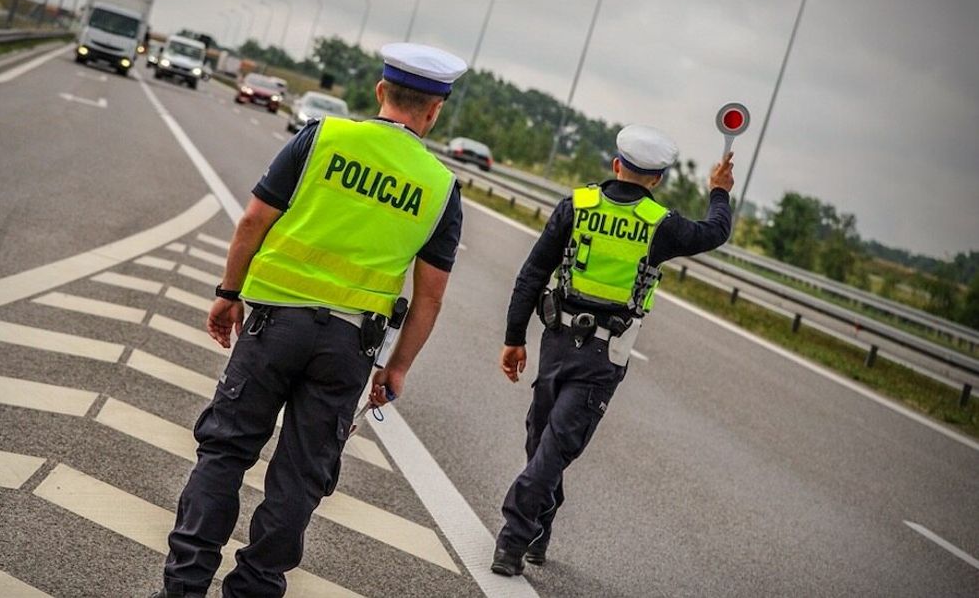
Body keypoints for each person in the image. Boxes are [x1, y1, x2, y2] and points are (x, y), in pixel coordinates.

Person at [151, 42, 467, 598]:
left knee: (224, 452)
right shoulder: (441, 188)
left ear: (380, 92)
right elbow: (430, 299)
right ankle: (253, 589)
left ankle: (184, 586)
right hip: (348, 348)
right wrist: (396, 368)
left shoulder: (322, 137)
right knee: (299, 477)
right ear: (435, 110)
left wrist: (228, 293)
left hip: (272, 326)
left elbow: (253, 220)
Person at [490, 124, 735, 576]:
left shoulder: (577, 207)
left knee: (553, 446)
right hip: (586, 349)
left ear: (616, 164)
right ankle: (539, 529)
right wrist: (719, 191)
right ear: (657, 179)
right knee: (542, 442)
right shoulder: (661, 227)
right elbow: (715, 231)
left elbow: (531, 274)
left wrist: (514, 336)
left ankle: (512, 541)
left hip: (576, 347)